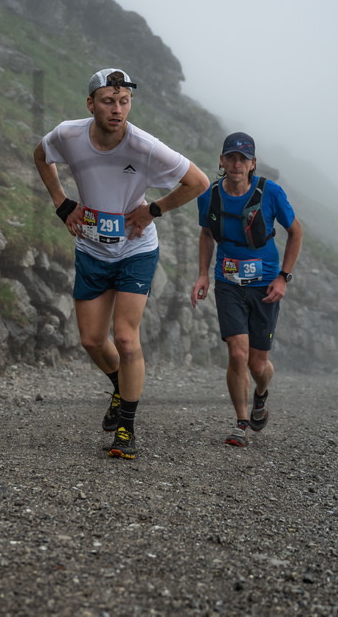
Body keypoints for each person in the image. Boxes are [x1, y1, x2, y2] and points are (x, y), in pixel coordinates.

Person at [34, 68, 209, 460]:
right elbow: (41, 155)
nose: (117, 109)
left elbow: (198, 182)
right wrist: (63, 204)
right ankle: (121, 386)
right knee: (92, 341)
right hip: (92, 248)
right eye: (109, 101)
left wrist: (154, 209)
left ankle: (126, 429)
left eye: (124, 101)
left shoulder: (144, 146)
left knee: (127, 338)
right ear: (91, 103)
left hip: (135, 249)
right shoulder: (69, 134)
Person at [190, 132, 303, 447]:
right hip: (229, 284)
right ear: (222, 161)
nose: (237, 164)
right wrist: (203, 275)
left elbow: (295, 233)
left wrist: (283, 277)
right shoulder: (210, 196)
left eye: (243, 158)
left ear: (253, 164)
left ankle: (261, 394)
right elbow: (206, 235)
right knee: (237, 354)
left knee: (257, 365)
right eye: (231, 157)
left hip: (265, 286)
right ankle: (240, 423)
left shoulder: (271, 193)